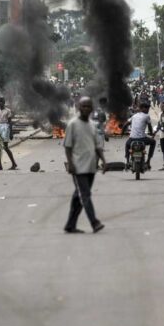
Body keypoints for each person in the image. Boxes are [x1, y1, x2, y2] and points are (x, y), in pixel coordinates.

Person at [64, 97, 106, 233]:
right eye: (84, 106)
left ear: (92, 108)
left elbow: (97, 146)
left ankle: (70, 225)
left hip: (91, 166)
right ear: (79, 108)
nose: (86, 109)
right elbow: (68, 146)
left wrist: (104, 161)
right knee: (85, 195)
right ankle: (94, 222)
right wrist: (70, 164)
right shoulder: (73, 124)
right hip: (78, 166)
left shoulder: (92, 125)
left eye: (88, 106)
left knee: (79, 196)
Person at [125, 102, 155, 170]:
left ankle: (127, 162)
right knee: (153, 142)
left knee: (127, 145)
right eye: (146, 108)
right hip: (142, 139)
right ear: (141, 108)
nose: (147, 110)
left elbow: (126, 124)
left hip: (132, 138)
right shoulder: (146, 116)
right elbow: (150, 127)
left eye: (148, 108)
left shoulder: (134, 116)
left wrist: (122, 132)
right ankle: (148, 161)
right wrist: (151, 133)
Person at [0, 98, 18, 171]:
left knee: (5, 147)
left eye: (1, 102)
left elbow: (10, 122)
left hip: (5, 127)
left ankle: (14, 163)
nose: (0, 103)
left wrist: (11, 132)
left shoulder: (8, 111)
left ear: (4, 103)